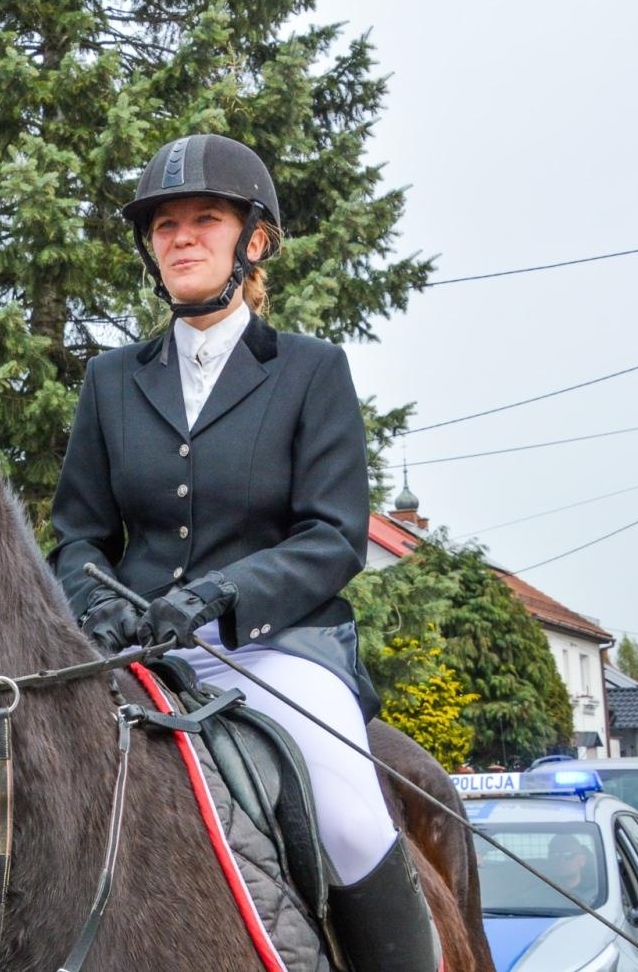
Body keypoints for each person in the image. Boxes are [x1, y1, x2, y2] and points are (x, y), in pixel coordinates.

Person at [48, 133, 438, 971]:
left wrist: (223, 594)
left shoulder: (309, 371)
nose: (181, 237)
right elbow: (78, 534)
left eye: (205, 220)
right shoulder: (112, 380)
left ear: (252, 241)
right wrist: (99, 598)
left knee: (353, 818)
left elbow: (334, 537)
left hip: (277, 649)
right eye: (164, 226)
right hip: (137, 652)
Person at [546, 834, 599, 905]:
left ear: (582, 860)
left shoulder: (598, 894)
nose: (561, 860)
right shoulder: (538, 894)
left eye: (568, 855)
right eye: (555, 855)